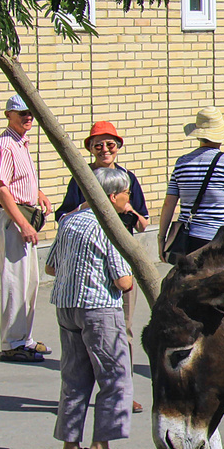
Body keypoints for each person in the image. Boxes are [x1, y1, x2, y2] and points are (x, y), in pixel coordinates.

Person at [46, 166, 137, 449]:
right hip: (99, 310)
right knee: (116, 378)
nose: (130, 197)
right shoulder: (108, 226)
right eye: (126, 192)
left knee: (73, 379)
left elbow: (51, 267)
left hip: (66, 306)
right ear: (111, 196)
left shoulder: (69, 221)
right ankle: (100, 448)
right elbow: (123, 281)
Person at [56, 121, 150, 414]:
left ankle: (124, 391)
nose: (105, 150)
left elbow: (143, 220)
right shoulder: (81, 178)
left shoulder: (128, 178)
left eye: (111, 144)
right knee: (87, 337)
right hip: (92, 265)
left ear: (118, 147)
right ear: (90, 149)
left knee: (124, 329)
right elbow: (63, 215)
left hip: (121, 260)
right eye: (99, 145)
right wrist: (87, 211)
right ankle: (91, 396)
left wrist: (130, 212)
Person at [0, 93, 52, 363]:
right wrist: (22, 223)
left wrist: (38, 192)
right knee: (15, 281)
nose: (27, 117)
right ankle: (12, 343)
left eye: (30, 112)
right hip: (11, 218)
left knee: (30, 281)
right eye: (21, 112)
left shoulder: (21, 143)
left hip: (23, 212)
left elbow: (18, 180)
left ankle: (25, 337)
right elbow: (1, 188)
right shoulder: (4, 145)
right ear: (8, 115)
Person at [159, 106, 224, 261]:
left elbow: (169, 204)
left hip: (189, 240)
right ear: (221, 135)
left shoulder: (182, 163)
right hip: (223, 239)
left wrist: (162, 239)